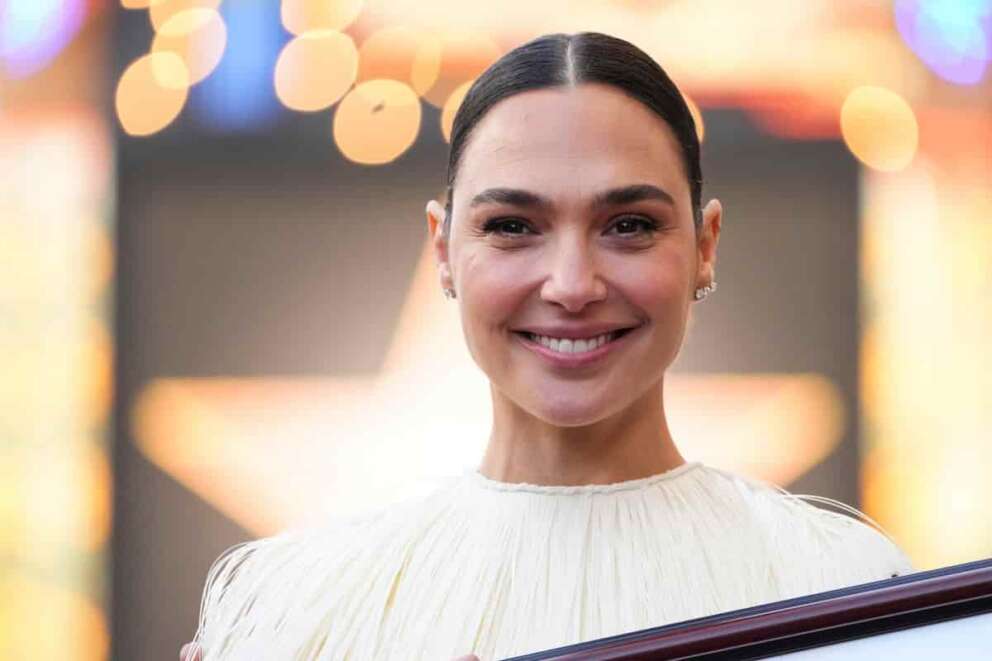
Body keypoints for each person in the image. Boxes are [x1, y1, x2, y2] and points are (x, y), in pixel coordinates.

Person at [181, 31, 912, 661]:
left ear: (705, 245)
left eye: (628, 224)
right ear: (443, 248)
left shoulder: (840, 591)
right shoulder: (304, 613)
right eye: (511, 226)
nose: (571, 283)